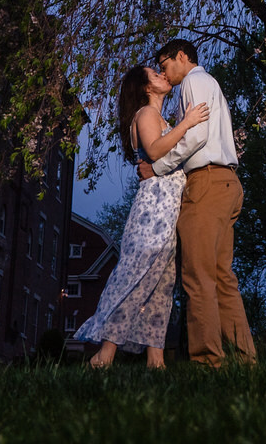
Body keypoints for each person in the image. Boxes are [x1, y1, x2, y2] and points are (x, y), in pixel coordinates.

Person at [75, 64, 209, 369]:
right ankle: (104, 355)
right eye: (155, 74)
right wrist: (186, 123)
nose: (163, 76)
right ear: (146, 87)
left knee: (162, 286)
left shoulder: (160, 117)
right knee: (135, 277)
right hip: (153, 210)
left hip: (167, 210)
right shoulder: (146, 114)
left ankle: (156, 360)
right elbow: (155, 148)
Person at [139, 38, 257, 367]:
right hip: (227, 184)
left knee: (198, 277)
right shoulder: (209, 83)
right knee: (221, 278)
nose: (165, 72)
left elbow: (197, 136)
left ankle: (207, 364)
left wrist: (158, 167)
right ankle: (246, 362)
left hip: (206, 183)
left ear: (181, 57)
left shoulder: (193, 81)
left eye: (164, 66)